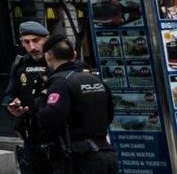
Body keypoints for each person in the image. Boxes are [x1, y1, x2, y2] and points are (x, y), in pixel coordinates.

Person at [32, 35, 116, 174]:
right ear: (74, 54)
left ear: (48, 56)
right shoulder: (96, 80)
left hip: (79, 158)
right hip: (106, 153)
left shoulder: (60, 83)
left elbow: (48, 118)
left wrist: (40, 100)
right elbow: (109, 115)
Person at [3, 21, 53, 174]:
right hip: (31, 132)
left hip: (55, 132)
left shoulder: (55, 62)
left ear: (46, 39)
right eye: (26, 42)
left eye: (36, 40)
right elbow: (9, 94)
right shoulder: (20, 64)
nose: (32, 47)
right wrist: (11, 105)